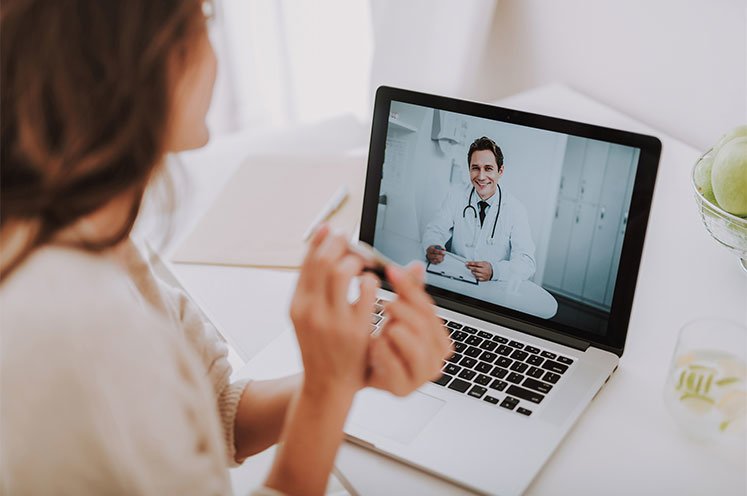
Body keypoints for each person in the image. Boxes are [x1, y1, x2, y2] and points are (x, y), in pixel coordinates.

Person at [0, 1, 451, 495]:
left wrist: (348, 371)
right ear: (141, 60)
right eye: (204, 25)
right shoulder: (86, 333)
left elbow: (216, 411)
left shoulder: (87, 230)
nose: (214, 56)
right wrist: (325, 391)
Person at [422, 136, 536, 282]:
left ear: (500, 171)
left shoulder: (516, 210)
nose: (481, 177)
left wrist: (495, 271)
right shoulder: (456, 196)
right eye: (475, 168)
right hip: (456, 279)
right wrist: (433, 246)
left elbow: (527, 262)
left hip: (493, 288)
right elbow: (435, 230)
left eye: (488, 169)